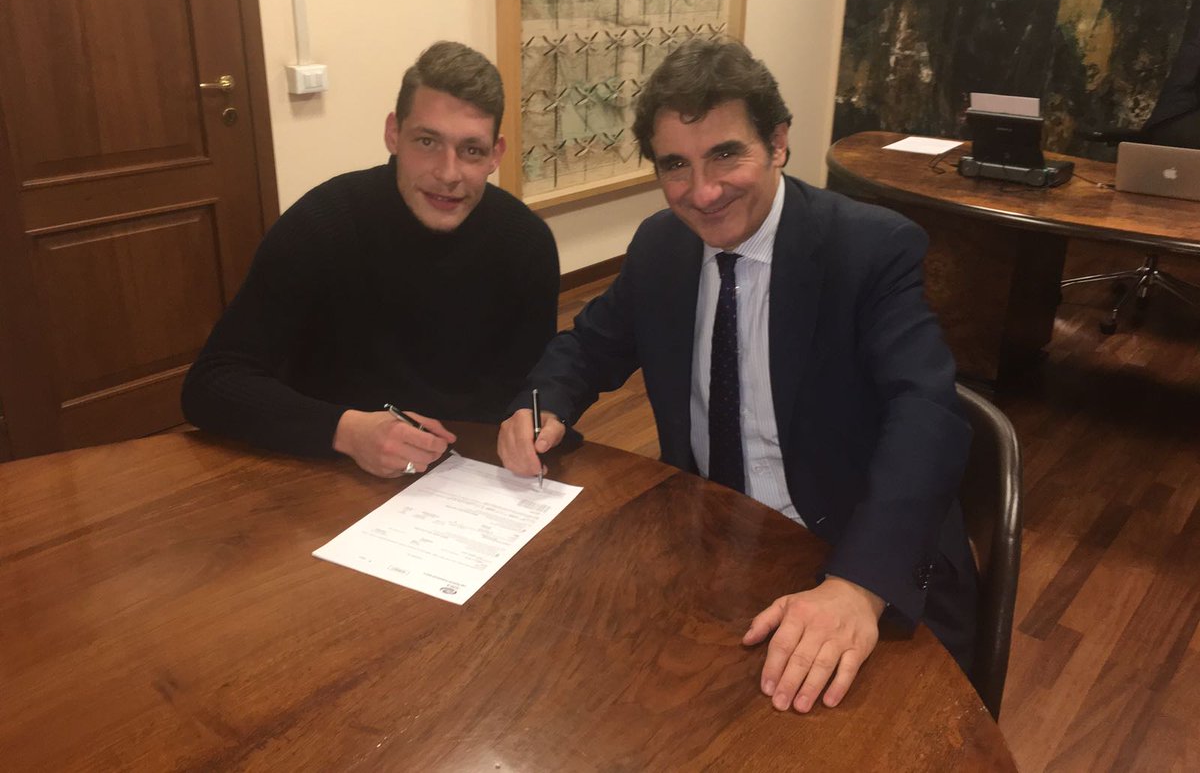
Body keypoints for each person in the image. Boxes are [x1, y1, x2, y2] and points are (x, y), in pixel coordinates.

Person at [497, 39, 976, 714]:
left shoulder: (869, 248)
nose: (702, 192)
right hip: (706, 543)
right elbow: (587, 347)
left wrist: (859, 585)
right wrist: (539, 404)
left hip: (845, 545)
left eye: (726, 154)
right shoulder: (661, 247)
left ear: (778, 143)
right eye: (676, 165)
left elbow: (927, 415)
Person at [184, 41, 559, 478]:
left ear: (496, 154)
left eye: (471, 150)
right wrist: (343, 430)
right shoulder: (322, 225)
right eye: (427, 141)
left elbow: (527, 391)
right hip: (328, 469)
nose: (448, 173)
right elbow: (211, 383)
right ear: (393, 134)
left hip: (468, 477)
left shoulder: (525, 243)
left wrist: (534, 416)